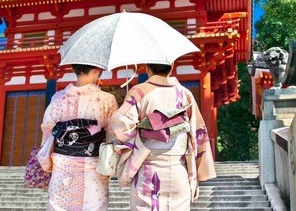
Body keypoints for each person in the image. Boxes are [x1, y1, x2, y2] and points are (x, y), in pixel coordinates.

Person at [110, 63, 216, 210]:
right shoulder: (184, 93)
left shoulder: (139, 92)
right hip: (179, 171)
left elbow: (120, 126)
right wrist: (197, 175)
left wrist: (138, 130)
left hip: (147, 171)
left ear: (147, 69)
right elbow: (197, 131)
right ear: (171, 67)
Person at [40, 64, 118, 210]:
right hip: (93, 164)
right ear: (96, 71)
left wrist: (46, 162)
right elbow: (113, 132)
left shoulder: (57, 98)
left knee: (60, 206)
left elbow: (48, 129)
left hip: (63, 164)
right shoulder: (107, 99)